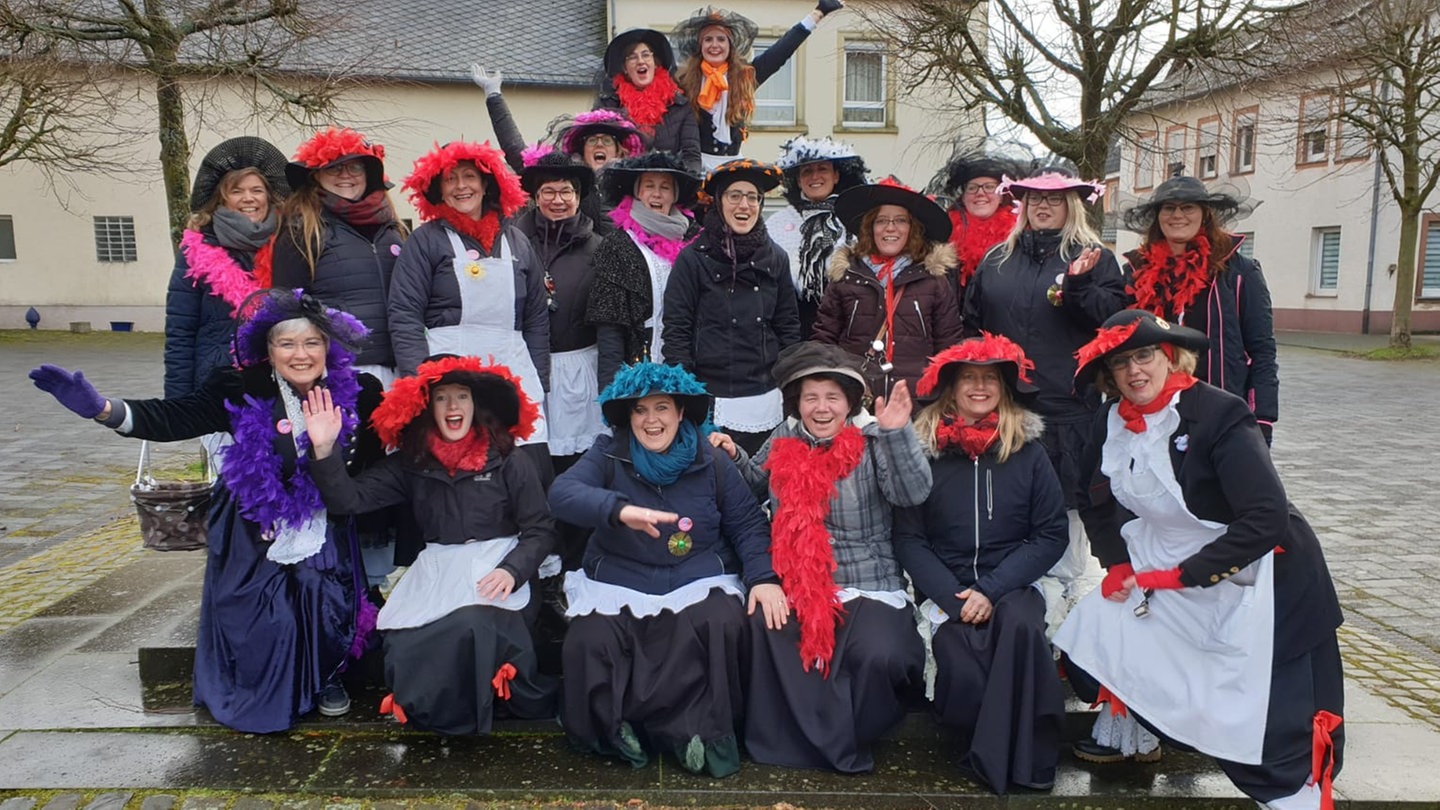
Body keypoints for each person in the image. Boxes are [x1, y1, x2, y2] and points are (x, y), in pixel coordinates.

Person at [29, 289, 383, 733]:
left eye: (312, 342)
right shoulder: (239, 387)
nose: (300, 354)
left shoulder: (360, 391)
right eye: (286, 344)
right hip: (254, 527)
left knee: (326, 597)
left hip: (325, 523)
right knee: (267, 616)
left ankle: (328, 678)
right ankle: (263, 684)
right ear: (268, 350)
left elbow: (385, 453)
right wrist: (105, 410)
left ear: (328, 347)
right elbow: (175, 416)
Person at [1055, 309, 1344, 809]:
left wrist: (1184, 576)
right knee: (1099, 633)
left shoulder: (1219, 413)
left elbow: (1265, 517)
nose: (1134, 372)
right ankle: (1141, 728)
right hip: (1165, 564)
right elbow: (1092, 496)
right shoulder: (1107, 422)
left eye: (1144, 356)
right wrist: (1118, 563)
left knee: (1267, 722)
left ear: (1169, 356)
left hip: (1259, 576)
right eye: (1121, 363)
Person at [548, 362, 785, 777]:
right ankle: (611, 729)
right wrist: (617, 510)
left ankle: (699, 731)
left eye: (662, 408)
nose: (651, 420)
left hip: (696, 575)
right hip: (620, 578)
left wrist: (763, 579)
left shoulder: (711, 459)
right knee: (590, 636)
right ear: (628, 417)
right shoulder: (607, 451)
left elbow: (748, 522)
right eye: (641, 410)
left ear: (680, 413)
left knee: (720, 621)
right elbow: (562, 494)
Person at [304, 355, 557, 735]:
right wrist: (324, 451)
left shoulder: (510, 459)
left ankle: (472, 711)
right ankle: (429, 710)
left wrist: (513, 569)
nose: (453, 406)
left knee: (472, 625)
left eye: (462, 396)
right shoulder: (412, 462)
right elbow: (348, 501)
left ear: (477, 406)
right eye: (442, 398)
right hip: (439, 569)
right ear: (427, 408)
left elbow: (540, 529)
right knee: (404, 642)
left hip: (500, 568)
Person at [711, 341, 929, 773]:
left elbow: (912, 493)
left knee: (879, 655)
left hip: (870, 581)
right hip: (797, 580)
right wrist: (735, 456)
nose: (822, 407)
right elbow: (757, 487)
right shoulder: (783, 439)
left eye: (832, 397)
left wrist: (898, 433)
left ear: (849, 403)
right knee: (765, 628)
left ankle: (847, 738)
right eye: (811, 397)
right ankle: (787, 745)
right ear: (797, 404)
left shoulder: (871, 441)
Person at [892, 333, 1068, 793]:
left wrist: (992, 589)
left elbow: (1050, 534)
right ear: (951, 387)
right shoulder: (922, 452)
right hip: (948, 591)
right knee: (965, 671)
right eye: (968, 377)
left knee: (1022, 630)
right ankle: (989, 750)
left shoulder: (1029, 452)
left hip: (1013, 584)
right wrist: (956, 599)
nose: (978, 386)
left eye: (989, 378)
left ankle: (1026, 762)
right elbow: (909, 539)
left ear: (1004, 389)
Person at [962, 166, 1127, 626]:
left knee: (1067, 527)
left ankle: (1067, 631)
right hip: (1004, 413)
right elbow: (970, 328)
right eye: (1034, 199)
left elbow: (1111, 323)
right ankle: (1012, 617)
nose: (1043, 206)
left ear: (1072, 204)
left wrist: (1076, 286)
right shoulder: (996, 260)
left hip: (1068, 414)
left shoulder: (1095, 257)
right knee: (1007, 517)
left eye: (1054, 199)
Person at [387, 140, 553, 495]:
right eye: (451, 179)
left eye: (469, 177)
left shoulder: (519, 242)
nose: (461, 186)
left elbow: (537, 318)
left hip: (514, 370)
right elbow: (404, 313)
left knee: (524, 469)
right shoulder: (425, 241)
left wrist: (539, 377)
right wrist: (418, 383)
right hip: (451, 375)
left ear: (487, 183)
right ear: (438, 188)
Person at [1121, 174, 1277, 442]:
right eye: (1168, 208)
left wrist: (1262, 419)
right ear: (1157, 216)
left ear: (1205, 215)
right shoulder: (1135, 273)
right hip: (1154, 414)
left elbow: (1262, 352)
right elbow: (1118, 340)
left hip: (1221, 411)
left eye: (1188, 207)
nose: (1177, 215)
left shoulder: (1240, 273)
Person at [662, 159, 802, 454]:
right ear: (719, 202)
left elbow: (788, 327)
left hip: (767, 394)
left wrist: (791, 386)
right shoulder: (692, 259)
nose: (744, 205)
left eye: (752, 197)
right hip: (711, 395)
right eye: (734, 195)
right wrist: (686, 393)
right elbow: (677, 330)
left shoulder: (776, 257)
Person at [272, 127, 404, 388]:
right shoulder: (302, 229)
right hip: (340, 370)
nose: (346, 175)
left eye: (355, 167)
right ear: (317, 176)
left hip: (400, 367)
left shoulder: (393, 230)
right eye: (334, 168)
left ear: (368, 174)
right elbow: (286, 306)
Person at [812, 178, 963, 397]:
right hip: (857, 398)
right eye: (881, 220)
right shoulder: (846, 277)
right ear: (870, 227)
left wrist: (940, 397)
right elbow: (824, 340)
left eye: (900, 220)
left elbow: (949, 345)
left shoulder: (934, 281)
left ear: (913, 229)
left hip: (915, 401)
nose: (890, 228)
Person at [165, 136, 289, 400]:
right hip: (219, 384)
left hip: (281, 381)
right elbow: (180, 331)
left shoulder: (288, 243)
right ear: (221, 199)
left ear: (268, 196)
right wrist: (178, 401)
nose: (248, 198)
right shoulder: (197, 251)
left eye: (256, 190)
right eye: (236, 191)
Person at [514, 147, 606, 470]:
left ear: (578, 197)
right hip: (528, 368)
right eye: (548, 191)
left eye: (566, 191)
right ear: (536, 197)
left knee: (579, 461)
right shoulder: (514, 243)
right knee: (533, 458)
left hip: (581, 372)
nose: (558, 199)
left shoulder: (599, 248)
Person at [671, 3, 845, 169]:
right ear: (700, 46)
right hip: (694, 166)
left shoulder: (745, 76)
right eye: (708, 39)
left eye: (721, 39)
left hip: (732, 166)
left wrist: (817, 13)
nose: (715, 45)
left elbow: (781, 51)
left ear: (730, 46)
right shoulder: (685, 81)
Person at [586, 151, 702, 389]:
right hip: (636, 365)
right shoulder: (617, 244)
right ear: (637, 192)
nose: (657, 194)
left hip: (688, 363)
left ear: (675, 196)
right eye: (649, 185)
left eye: (665, 187)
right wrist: (612, 389)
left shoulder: (696, 241)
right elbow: (610, 329)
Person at [766, 136, 869, 337]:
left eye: (822, 169)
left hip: (847, 324)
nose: (815, 177)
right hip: (792, 327)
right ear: (797, 179)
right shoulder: (777, 222)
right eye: (807, 171)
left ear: (836, 175)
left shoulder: (856, 219)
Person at [592, 28, 702, 173]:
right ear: (625, 68)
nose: (640, 61)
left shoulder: (680, 105)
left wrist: (683, 183)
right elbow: (595, 148)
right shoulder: (608, 104)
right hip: (621, 181)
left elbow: (692, 155)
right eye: (632, 57)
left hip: (665, 184)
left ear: (655, 63)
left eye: (646, 55)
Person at [939, 151, 1021, 301]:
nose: (980, 193)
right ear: (963, 197)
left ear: (1002, 195)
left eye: (989, 187)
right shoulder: (942, 234)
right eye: (972, 188)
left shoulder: (1021, 235)